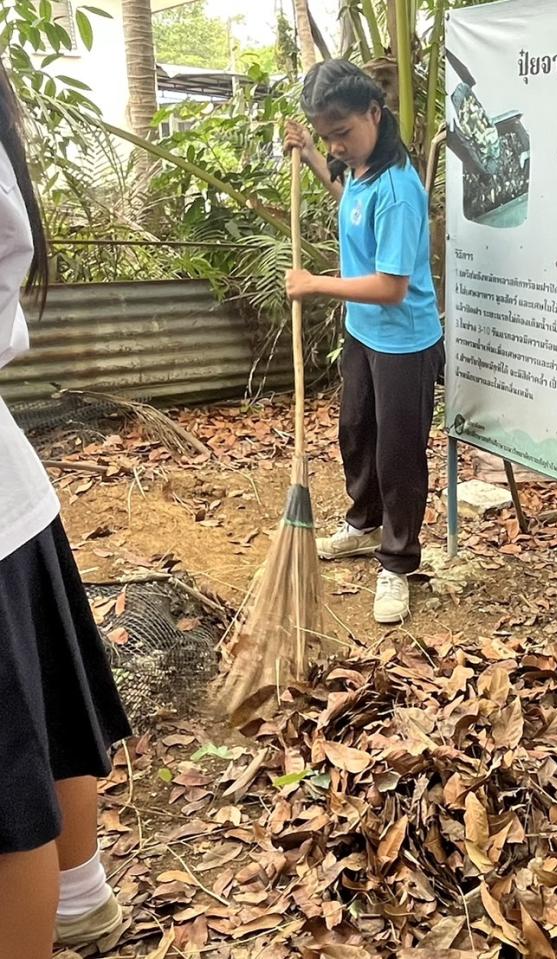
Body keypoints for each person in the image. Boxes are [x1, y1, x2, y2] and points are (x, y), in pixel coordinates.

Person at [0, 62, 132, 955]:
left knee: (9, 800)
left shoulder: (391, 183)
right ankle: (82, 899)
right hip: (10, 491)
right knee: (43, 712)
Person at [283, 59, 445, 625]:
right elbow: (343, 196)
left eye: (343, 133)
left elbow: (392, 286)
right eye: (328, 136)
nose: (338, 146)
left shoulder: (398, 188)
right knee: (356, 432)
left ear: (375, 113)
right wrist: (309, 155)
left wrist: (314, 284)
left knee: (399, 455)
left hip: (404, 342)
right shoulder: (360, 171)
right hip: (363, 332)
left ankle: (398, 563)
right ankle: (362, 523)